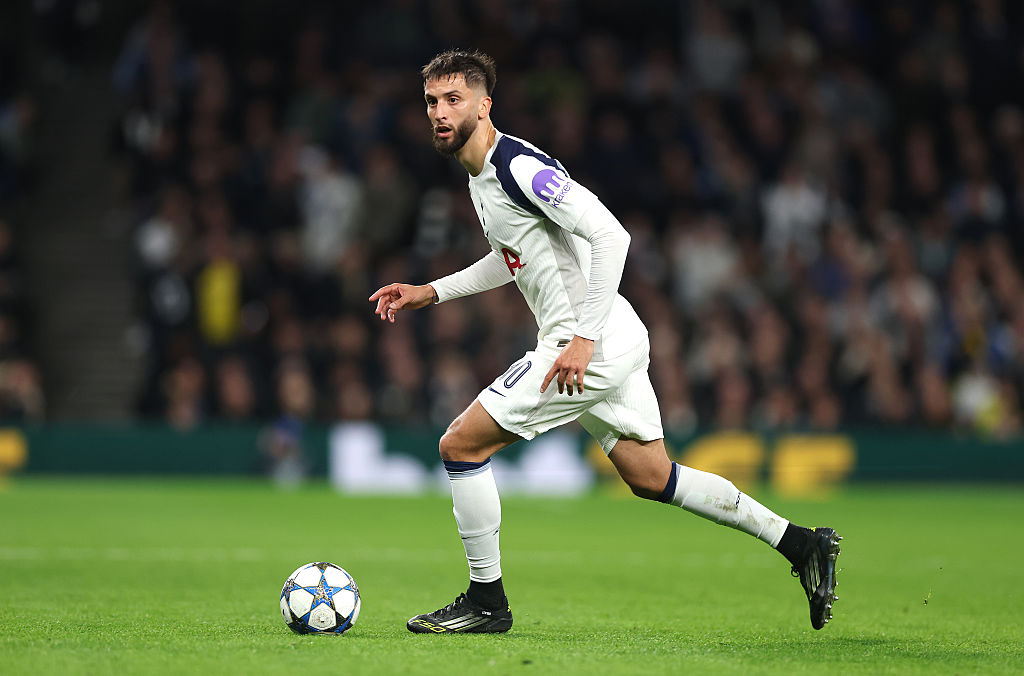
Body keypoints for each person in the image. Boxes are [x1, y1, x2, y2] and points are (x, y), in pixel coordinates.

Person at [368, 50, 841, 634]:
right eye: (432, 103)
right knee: (652, 477)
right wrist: (431, 292)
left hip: (586, 342)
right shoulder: (481, 176)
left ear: (485, 104)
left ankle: (487, 602)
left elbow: (612, 235)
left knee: (460, 445)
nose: (440, 113)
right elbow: (511, 259)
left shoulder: (516, 166)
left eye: (453, 100)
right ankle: (802, 545)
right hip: (605, 335)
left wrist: (583, 340)